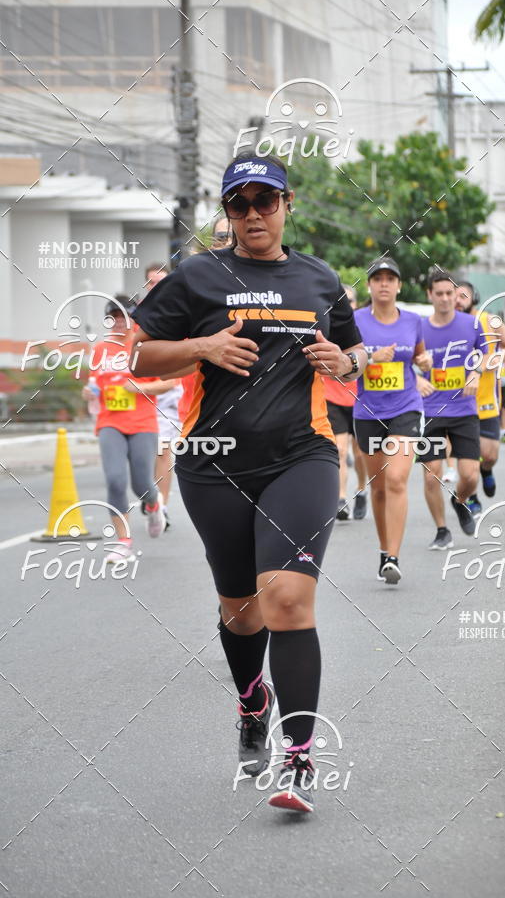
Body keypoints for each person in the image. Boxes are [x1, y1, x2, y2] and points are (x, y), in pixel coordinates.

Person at [130, 151, 366, 814]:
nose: (254, 214)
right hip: (214, 464)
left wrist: (342, 358)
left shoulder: (319, 279)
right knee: (243, 611)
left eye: (266, 201)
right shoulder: (198, 276)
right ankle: (251, 699)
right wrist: (201, 347)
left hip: (304, 455)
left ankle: (298, 757)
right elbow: (137, 356)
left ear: (288, 204)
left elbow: (356, 357)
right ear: (226, 212)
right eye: (240, 204)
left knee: (287, 597)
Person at [353, 257, 430, 583]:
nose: (384, 284)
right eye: (377, 278)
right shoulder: (354, 321)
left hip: (405, 408)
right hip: (367, 412)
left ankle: (394, 557)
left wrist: (425, 363)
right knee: (379, 488)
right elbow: (345, 366)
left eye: (390, 278)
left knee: (397, 478)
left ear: (399, 286)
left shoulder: (414, 321)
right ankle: (385, 550)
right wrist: (370, 357)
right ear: (369, 285)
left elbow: (420, 358)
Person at [82, 295, 169, 562]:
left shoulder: (144, 346)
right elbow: (94, 384)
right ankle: (124, 542)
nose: (119, 323)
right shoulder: (99, 350)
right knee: (115, 481)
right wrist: (89, 393)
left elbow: (169, 383)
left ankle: (155, 506)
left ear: (133, 319)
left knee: (142, 484)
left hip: (142, 422)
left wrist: (141, 387)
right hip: (109, 421)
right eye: (114, 318)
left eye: (124, 318)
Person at [417, 270, 485, 548]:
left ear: (456, 296)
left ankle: (460, 501)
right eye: (440, 293)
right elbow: (404, 362)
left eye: (450, 293)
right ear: (430, 295)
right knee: (431, 472)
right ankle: (442, 530)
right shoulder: (418, 327)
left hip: (464, 409)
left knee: (470, 475)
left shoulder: (471, 324)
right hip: (429, 409)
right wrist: (418, 378)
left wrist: (477, 372)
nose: (445, 299)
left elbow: (484, 353)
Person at [455, 281, 505, 514]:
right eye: (453, 295)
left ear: (474, 297)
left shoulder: (490, 321)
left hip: (486, 398)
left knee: (489, 455)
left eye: (463, 295)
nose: (457, 300)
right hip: (457, 401)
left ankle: (486, 470)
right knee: (466, 456)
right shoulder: (446, 325)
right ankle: (471, 495)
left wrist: (497, 358)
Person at [143, 263, 183, 528]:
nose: (156, 287)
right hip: (133, 397)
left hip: (165, 394)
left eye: (161, 282)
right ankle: (148, 494)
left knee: (161, 452)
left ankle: (163, 506)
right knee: (140, 456)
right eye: (151, 283)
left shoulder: (179, 313)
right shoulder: (136, 315)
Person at [324, 284, 368, 520]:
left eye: (350, 301)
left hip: (360, 398)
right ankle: (341, 499)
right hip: (332, 395)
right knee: (340, 450)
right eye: (342, 300)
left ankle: (361, 490)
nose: (347, 305)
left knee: (360, 453)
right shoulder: (324, 325)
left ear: (355, 305)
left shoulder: (361, 327)